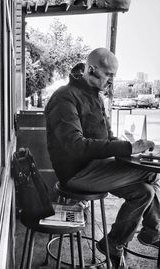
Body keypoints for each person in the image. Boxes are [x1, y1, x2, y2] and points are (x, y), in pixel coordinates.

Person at [45, 48, 160, 261]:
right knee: (151, 175)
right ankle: (153, 232)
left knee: (145, 192)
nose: (111, 81)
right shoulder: (64, 97)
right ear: (91, 69)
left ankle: (113, 243)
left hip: (96, 168)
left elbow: (108, 137)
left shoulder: (96, 97)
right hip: (76, 174)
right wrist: (127, 149)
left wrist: (134, 148)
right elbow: (75, 146)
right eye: (109, 75)